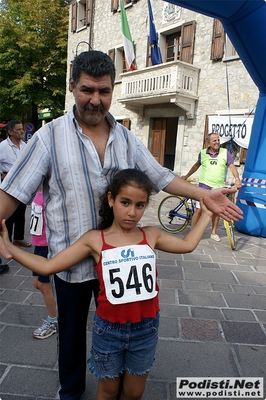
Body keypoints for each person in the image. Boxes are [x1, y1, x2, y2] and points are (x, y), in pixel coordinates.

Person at [0, 51, 242, 400]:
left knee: (118, 332)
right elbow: (12, 192)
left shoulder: (127, 139)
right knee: (70, 336)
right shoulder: (48, 138)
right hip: (71, 262)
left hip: (121, 261)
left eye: (104, 91)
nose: (95, 100)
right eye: (87, 90)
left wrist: (203, 195)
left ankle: (114, 384)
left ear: (112, 90)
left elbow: (160, 177)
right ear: (72, 87)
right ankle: (70, 392)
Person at [0, 169, 213, 400]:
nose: (132, 212)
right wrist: (10, 249)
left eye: (140, 205)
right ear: (111, 199)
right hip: (109, 331)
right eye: (125, 202)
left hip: (146, 328)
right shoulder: (95, 240)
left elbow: (188, 244)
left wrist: (208, 215)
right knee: (108, 391)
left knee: (134, 393)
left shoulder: (151, 235)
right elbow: (48, 266)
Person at [182, 133, 242, 242]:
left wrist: (237, 178)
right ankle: (194, 232)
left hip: (218, 187)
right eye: (214, 140)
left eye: (218, 140)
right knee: (199, 210)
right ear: (208, 142)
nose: (217, 142)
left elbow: (232, 167)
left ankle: (213, 233)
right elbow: (196, 165)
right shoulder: (203, 153)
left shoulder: (225, 153)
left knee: (216, 211)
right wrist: (186, 176)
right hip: (204, 186)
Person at [30, 187, 57, 339]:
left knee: (44, 285)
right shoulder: (36, 192)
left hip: (47, 246)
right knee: (37, 283)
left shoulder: (50, 194)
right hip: (38, 245)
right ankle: (61, 310)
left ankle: (53, 322)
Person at [0, 120, 31, 247]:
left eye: (21, 129)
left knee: (21, 213)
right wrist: (2, 173)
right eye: (18, 129)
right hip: (8, 185)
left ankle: (18, 238)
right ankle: (6, 241)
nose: (21, 131)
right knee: (9, 216)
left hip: (22, 184)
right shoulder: (3, 146)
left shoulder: (24, 146)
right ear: (10, 132)